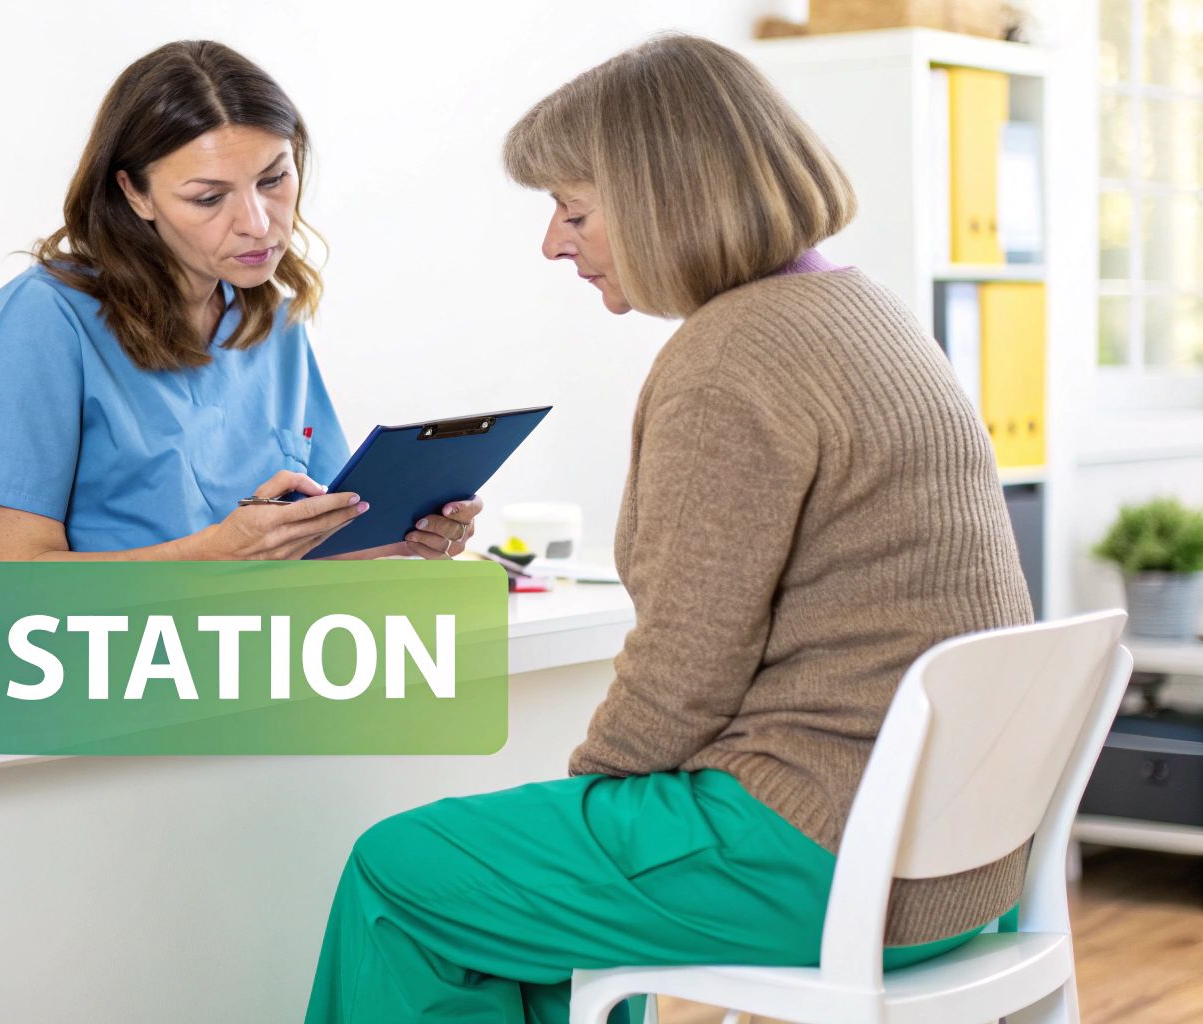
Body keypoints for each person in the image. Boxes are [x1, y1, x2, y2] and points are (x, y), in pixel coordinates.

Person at [303, 33, 1033, 1024]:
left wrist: (578, 809)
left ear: (658, 200)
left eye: (572, 211)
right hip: (953, 860)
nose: (553, 244)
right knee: (517, 890)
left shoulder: (728, 362)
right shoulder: (865, 314)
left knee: (399, 872)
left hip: (820, 853)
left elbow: (685, 666)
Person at [0, 40, 481, 562]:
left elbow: (299, 547)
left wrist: (401, 541)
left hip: (215, 657)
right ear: (134, 193)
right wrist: (214, 555)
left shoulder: (272, 322)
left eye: (274, 179)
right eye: (209, 198)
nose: (257, 225)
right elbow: (15, 582)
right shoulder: (43, 319)